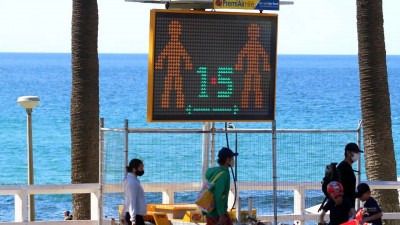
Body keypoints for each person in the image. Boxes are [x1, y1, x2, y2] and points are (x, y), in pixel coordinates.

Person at [203, 147, 238, 225]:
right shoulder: (223, 174)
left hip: (211, 210)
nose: (233, 160)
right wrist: (221, 215)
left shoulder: (217, 171)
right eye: (232, 158)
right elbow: (218, 195)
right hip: (216, 212)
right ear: (227, 160)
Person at [337, 142, 363, 212]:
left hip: (348, 207)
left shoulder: (347, 167)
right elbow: (345, 190)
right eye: (356, 152)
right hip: (344, 208)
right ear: (348, 153)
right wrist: (351, 208)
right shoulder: (343, 167)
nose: (357, 155)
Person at [122, 158, 147, 225]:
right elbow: (131, 201)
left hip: (134, 216)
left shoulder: (130, 181)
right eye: (141, 168)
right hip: (135, 217)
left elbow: (127, 200)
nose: (142, 170)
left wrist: (123, 215)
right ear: (134, 169)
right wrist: (133, 219)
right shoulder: (132, 182)